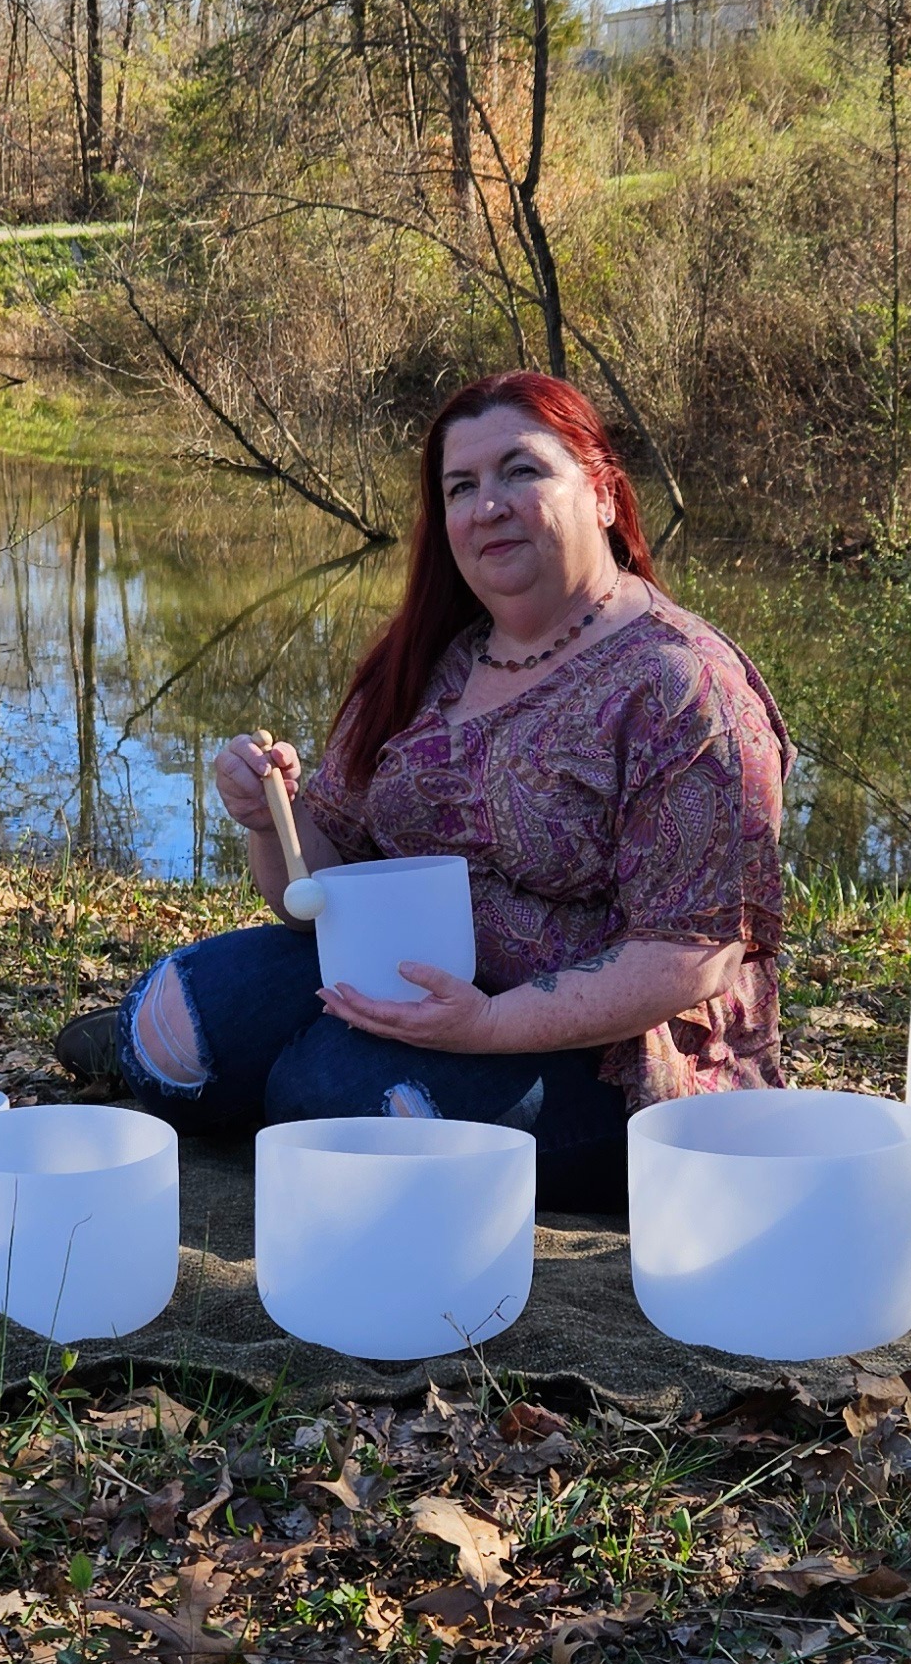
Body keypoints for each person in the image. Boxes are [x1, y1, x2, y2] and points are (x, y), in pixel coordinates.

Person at [53, 372, 793, 1214]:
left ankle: (305, 1090)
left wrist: (484, 1025)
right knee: (163, 1033)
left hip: (611, 1057)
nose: (489, 506)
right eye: (461, 486)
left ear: (602, 492)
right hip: (409, 984)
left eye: (522, 471)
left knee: (318, 1091)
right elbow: (311, 900)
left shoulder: (683, 686)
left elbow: (689, 957)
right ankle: (273, 1083)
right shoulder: (428, 661)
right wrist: (272, 821)